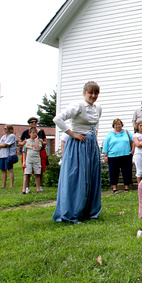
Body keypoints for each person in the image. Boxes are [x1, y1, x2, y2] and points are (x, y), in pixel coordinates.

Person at [52, 81, 102, 223]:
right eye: (90, 92)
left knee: (91, 176)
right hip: (78, 144)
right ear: (84, 93)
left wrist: (94, 136)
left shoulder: (98, 108)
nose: (93, 95)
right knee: (77, 177)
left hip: (91, 145)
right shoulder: (77, 106)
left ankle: (89, 211)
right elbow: (58, 119)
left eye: (96, 93)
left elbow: (96, 123)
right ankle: (72, 212)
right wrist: (72, 134)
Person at [102, 118, 134, 193]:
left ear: (121, 125)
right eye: (116, 124)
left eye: (119, 124)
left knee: (126, 172)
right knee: (114, 172)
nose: (117, 126)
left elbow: (133, 142)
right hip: (113, 156)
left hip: (126, 155)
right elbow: (106, 145)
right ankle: (114, 188)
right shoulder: (110, 134)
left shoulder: (127, 132)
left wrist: (132, 151)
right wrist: (105, 155)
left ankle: (126, 187)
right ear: (113, 126)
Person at [18, 117, 48, 185]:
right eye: (32, 122)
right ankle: (27, 187)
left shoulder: (41, 131)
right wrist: (23, 143)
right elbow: (20, 142)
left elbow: (45, 142)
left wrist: (42, 142)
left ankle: (39, 186)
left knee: (40, 170)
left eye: (35, 122)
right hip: (29, 152)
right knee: (27, 171)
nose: (34, 123)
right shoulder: (26, 132)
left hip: (40, 151)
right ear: (29, 123)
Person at [22, 127, 43, 194]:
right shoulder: (27, 141)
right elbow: (24, 151)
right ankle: (24, 189)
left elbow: (38, 149)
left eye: (35, 133)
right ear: (29, 133)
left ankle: (38, 189)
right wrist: (24, 161)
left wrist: (36, 141)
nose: (34, 134)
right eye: (33, 133)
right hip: (29, 160)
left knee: (37, 174)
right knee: (27, 174)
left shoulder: (38, 141)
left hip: (36, 159)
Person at [0, 124, 17, 189]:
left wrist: (2, 145)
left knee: (10, 169)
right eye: (4, 128)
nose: (4, 130)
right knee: (3, 170)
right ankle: (3, 185)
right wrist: (2, 145)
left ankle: (11, 185)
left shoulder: (12, 136)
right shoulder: (3, 137)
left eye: (5, 128)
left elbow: (6, 144)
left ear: (10, 129)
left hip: (9, 155)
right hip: (2, 155)